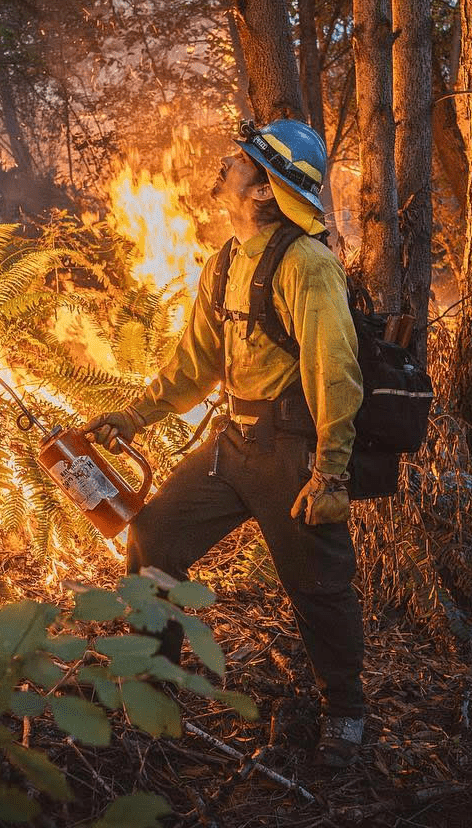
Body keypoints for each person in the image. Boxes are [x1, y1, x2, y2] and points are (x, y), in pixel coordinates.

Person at [82, 118, 367, 767]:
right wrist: (135, 416)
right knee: (153, 539)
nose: (226, 166)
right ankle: (154, 696)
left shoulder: (309, 265)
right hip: (231, 446)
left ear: (267, 189)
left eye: (241, 162)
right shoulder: (225, 263)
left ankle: (346, 712)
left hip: (290, 453)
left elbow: (336, 372)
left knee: (317, 583)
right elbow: (195, 364)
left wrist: (330, 474)